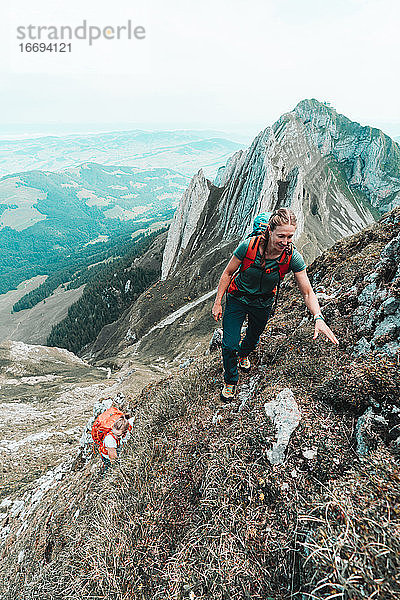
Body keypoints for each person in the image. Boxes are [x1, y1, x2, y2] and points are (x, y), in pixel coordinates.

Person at [212, 208, 339, 402]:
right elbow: (228, 273)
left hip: (263, 303)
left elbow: (307, 291)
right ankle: (230, 381)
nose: (286, 242)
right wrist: (218, 302)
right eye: (281, 236)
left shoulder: (292, 257)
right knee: (229, 345)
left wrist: (318, 317)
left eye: (290, 236)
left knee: (253, 336)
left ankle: (244, 354)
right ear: (269, 231)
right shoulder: (248, 247)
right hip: (237, 299)